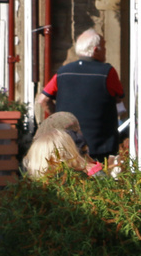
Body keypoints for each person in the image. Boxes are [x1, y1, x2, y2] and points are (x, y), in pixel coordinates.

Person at [34, 29, 125, 161]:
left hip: (68, 142)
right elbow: (119, 97)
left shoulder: (63, 72)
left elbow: (43, 99)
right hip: (100, 144)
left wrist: (59, 118)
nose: (105, 50)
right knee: (100, 178)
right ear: (96, 50)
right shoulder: (107, 72)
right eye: (104, 46)